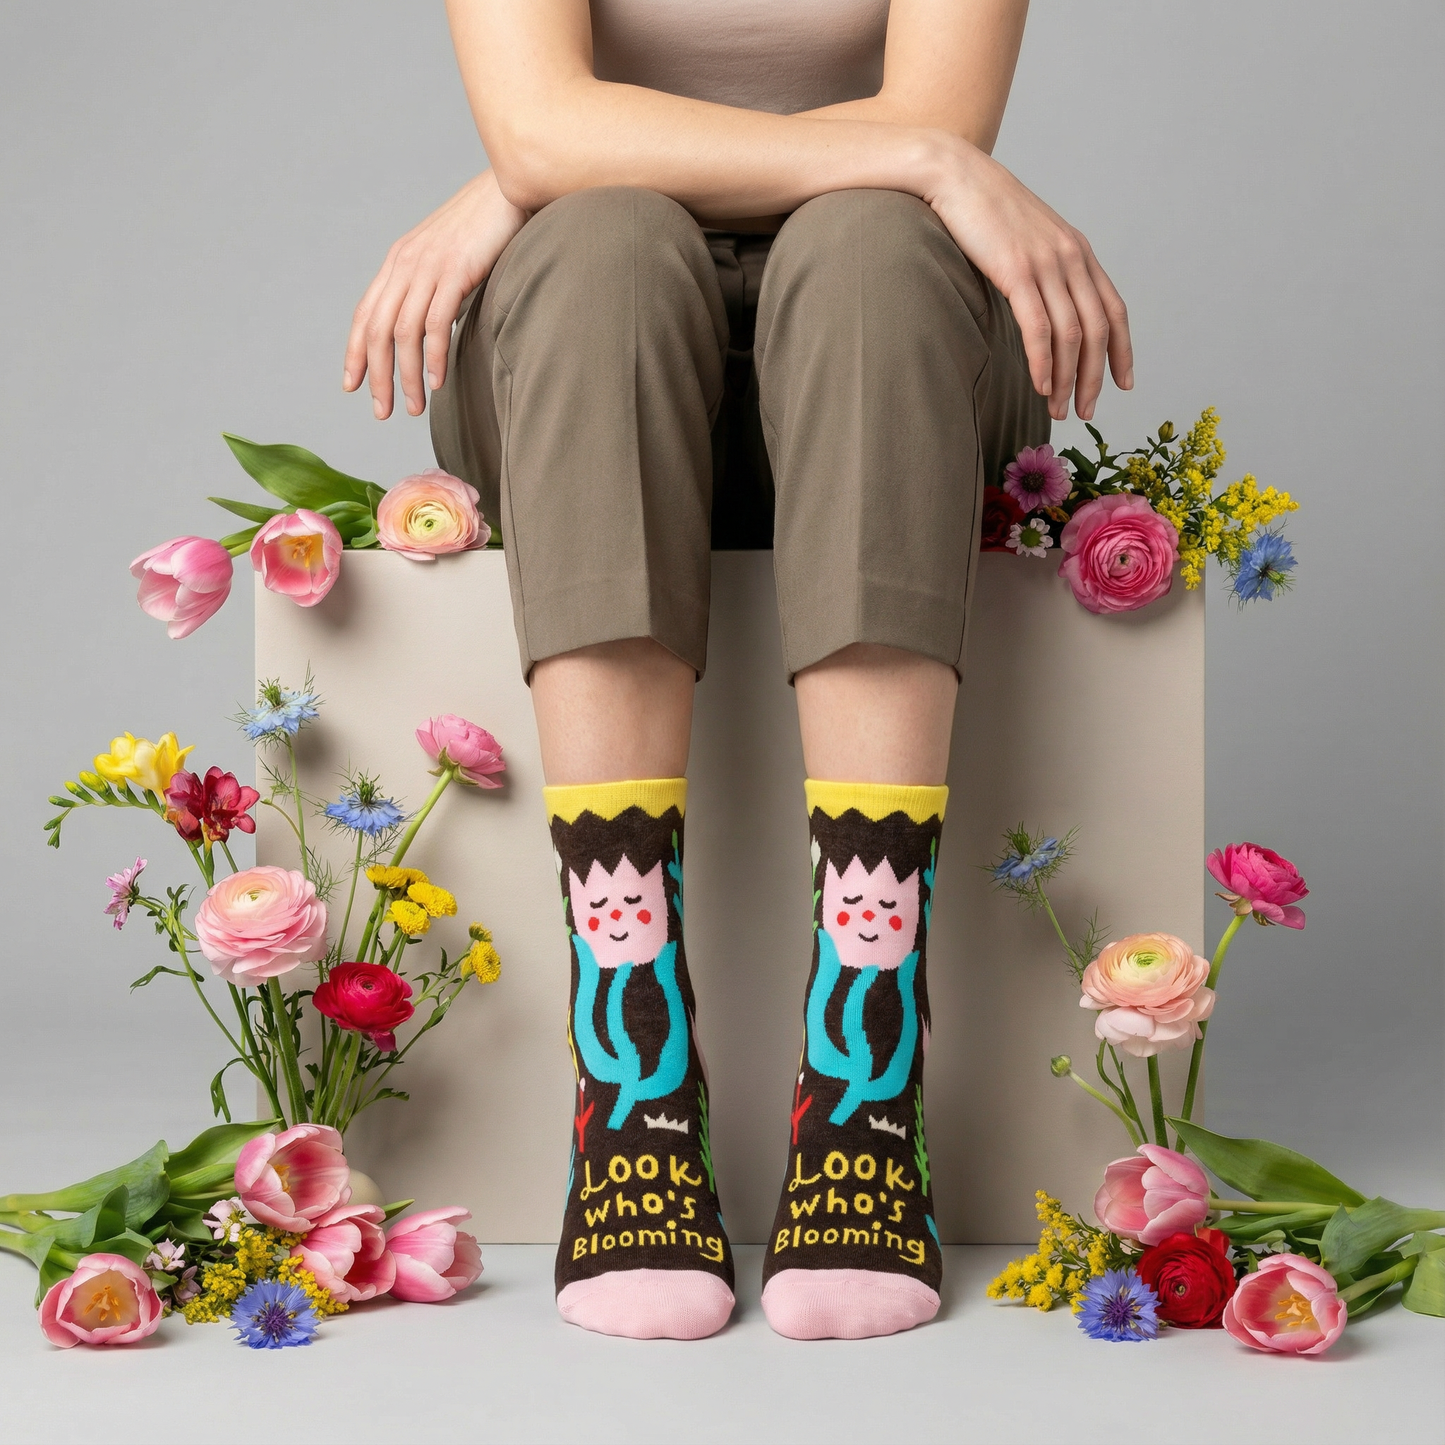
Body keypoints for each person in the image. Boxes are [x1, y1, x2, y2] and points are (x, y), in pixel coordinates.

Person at [344, 0, 1132, 1343]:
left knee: (869, 248)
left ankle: (864, 1094)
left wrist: (548, 160)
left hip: (897, 340)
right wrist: (541, 168)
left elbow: (937, 123)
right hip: (588, 340)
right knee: (601, 245)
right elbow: (909, 143)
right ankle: (631, 1093)